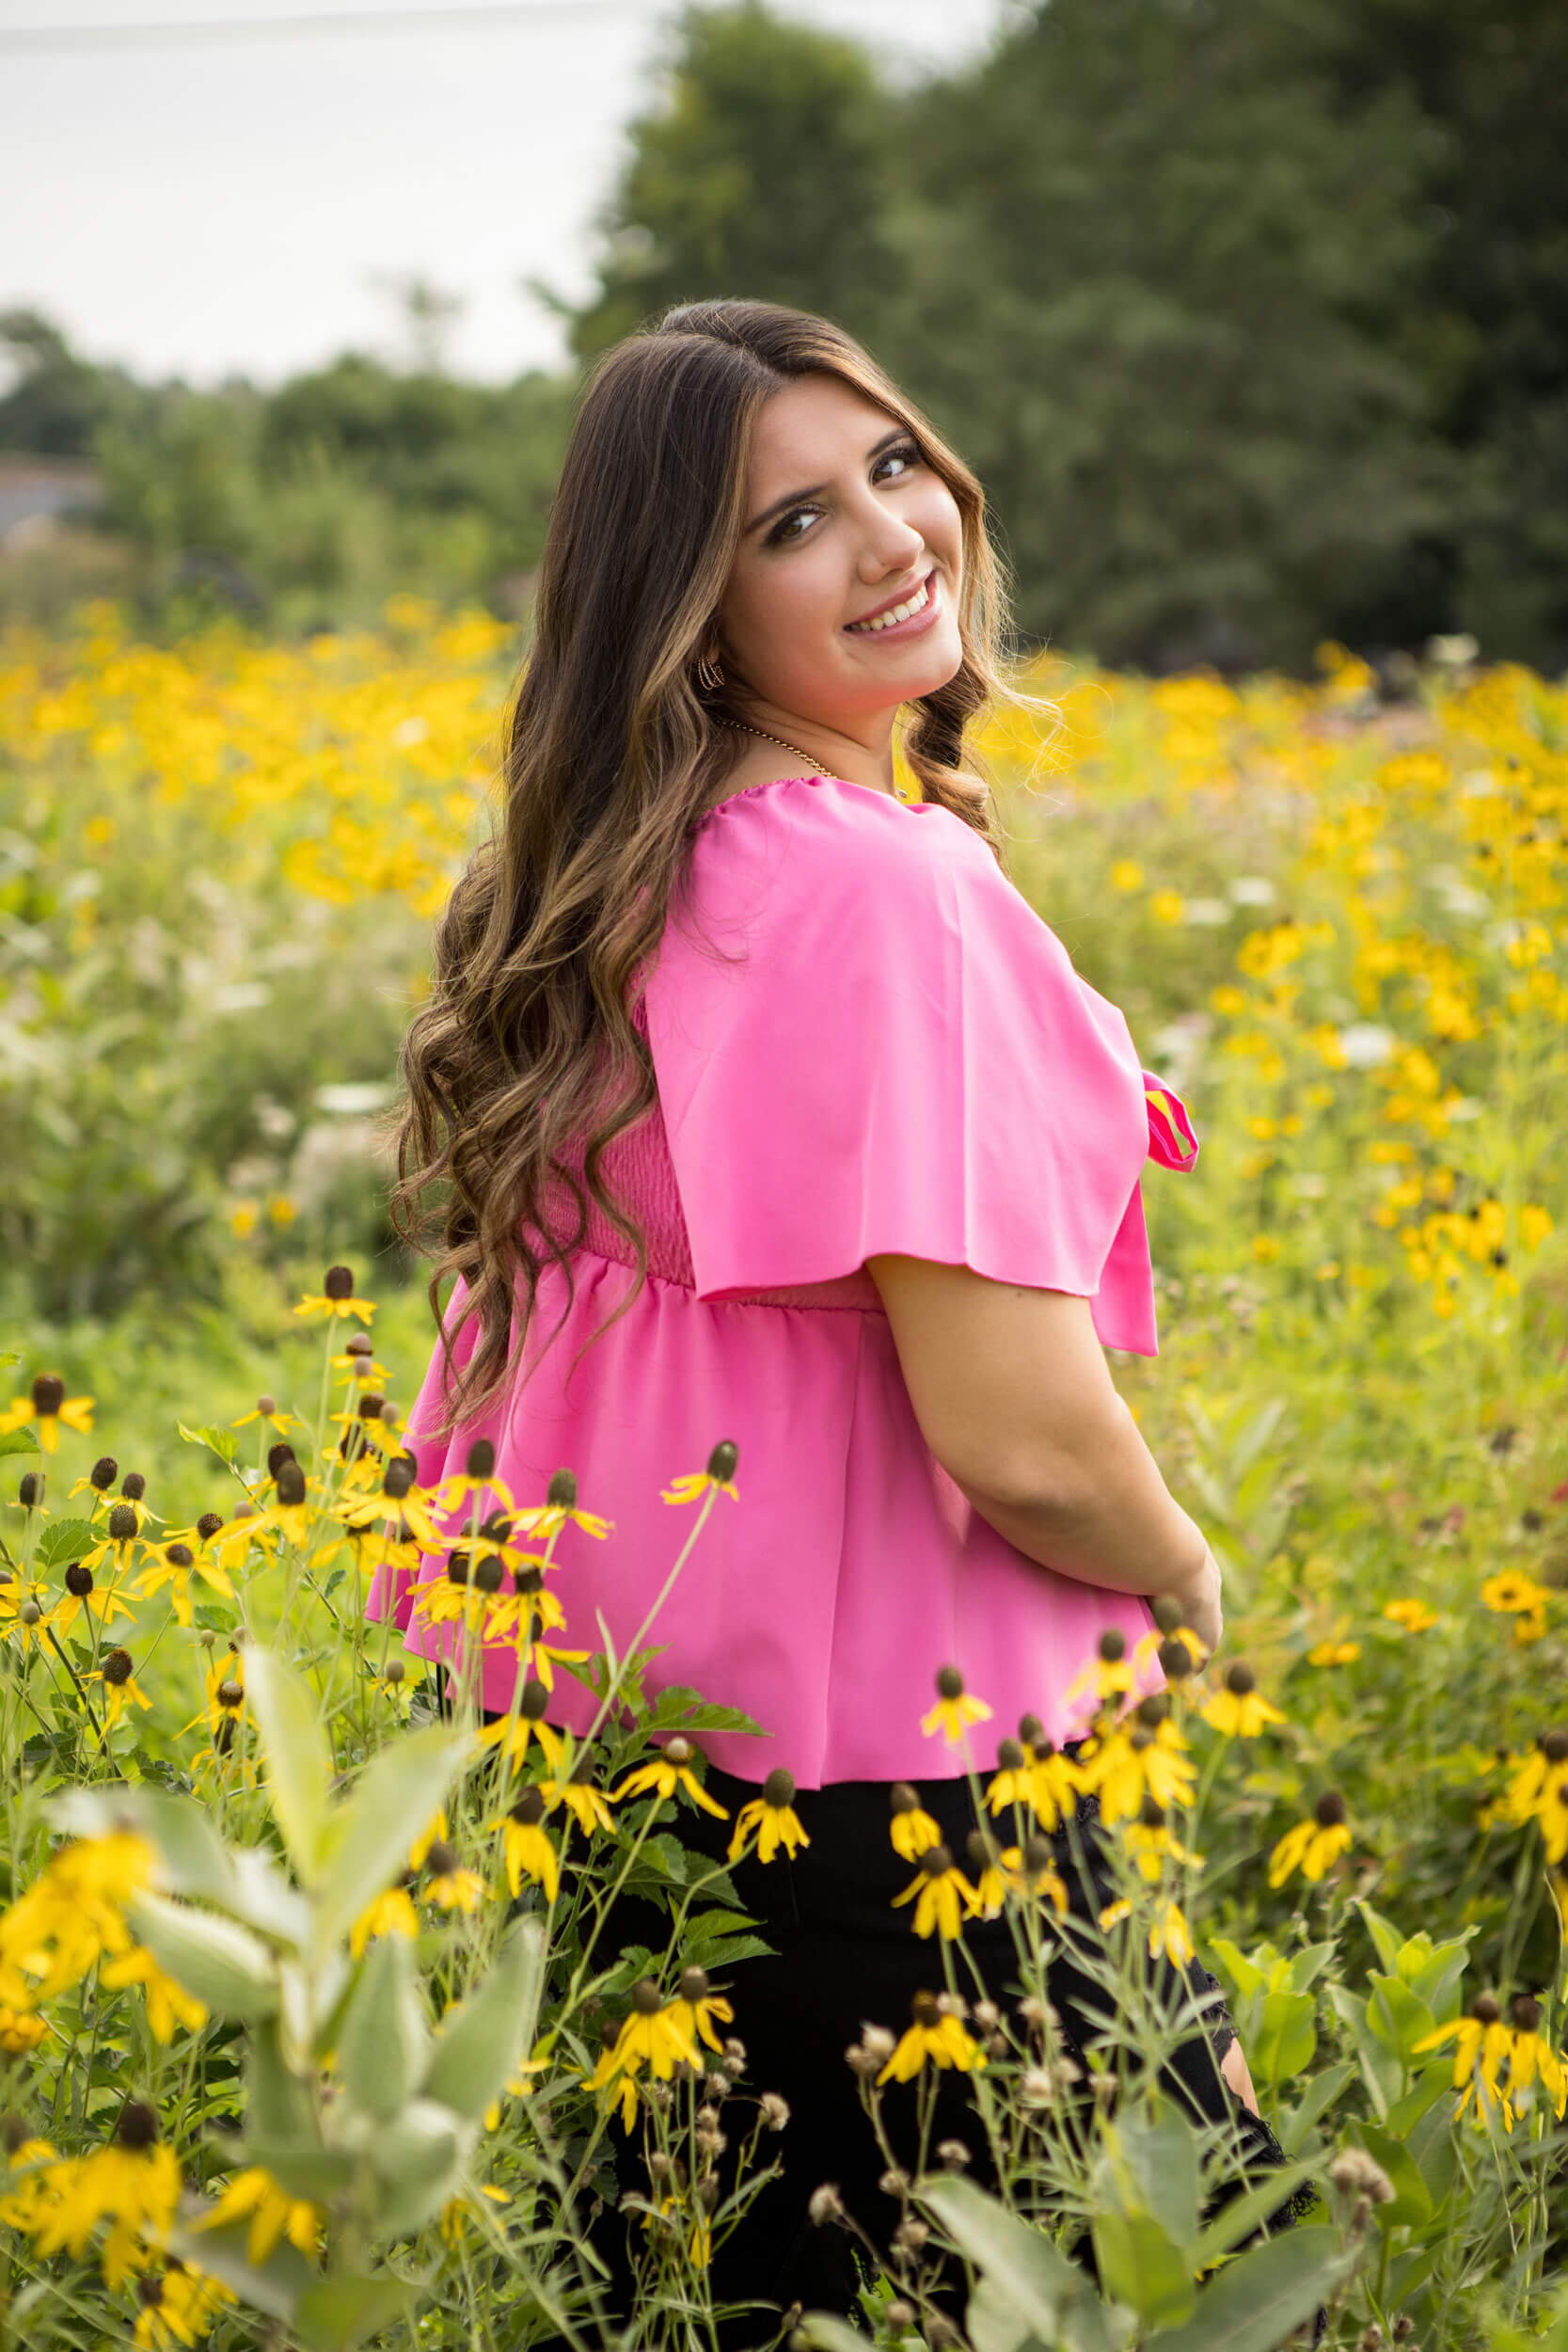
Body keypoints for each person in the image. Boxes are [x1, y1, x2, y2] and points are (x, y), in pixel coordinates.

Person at [366, 297, 1322, 2344]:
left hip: (604, 1757)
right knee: (1207, 2279)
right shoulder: (885, 891)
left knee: (719, 2296)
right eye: (795, 522)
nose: (895, 537)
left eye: (894, 463)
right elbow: (1026, 1433)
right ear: (692, 615)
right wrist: (1179, 1565)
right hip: (899, 1795)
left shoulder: (636, 860)